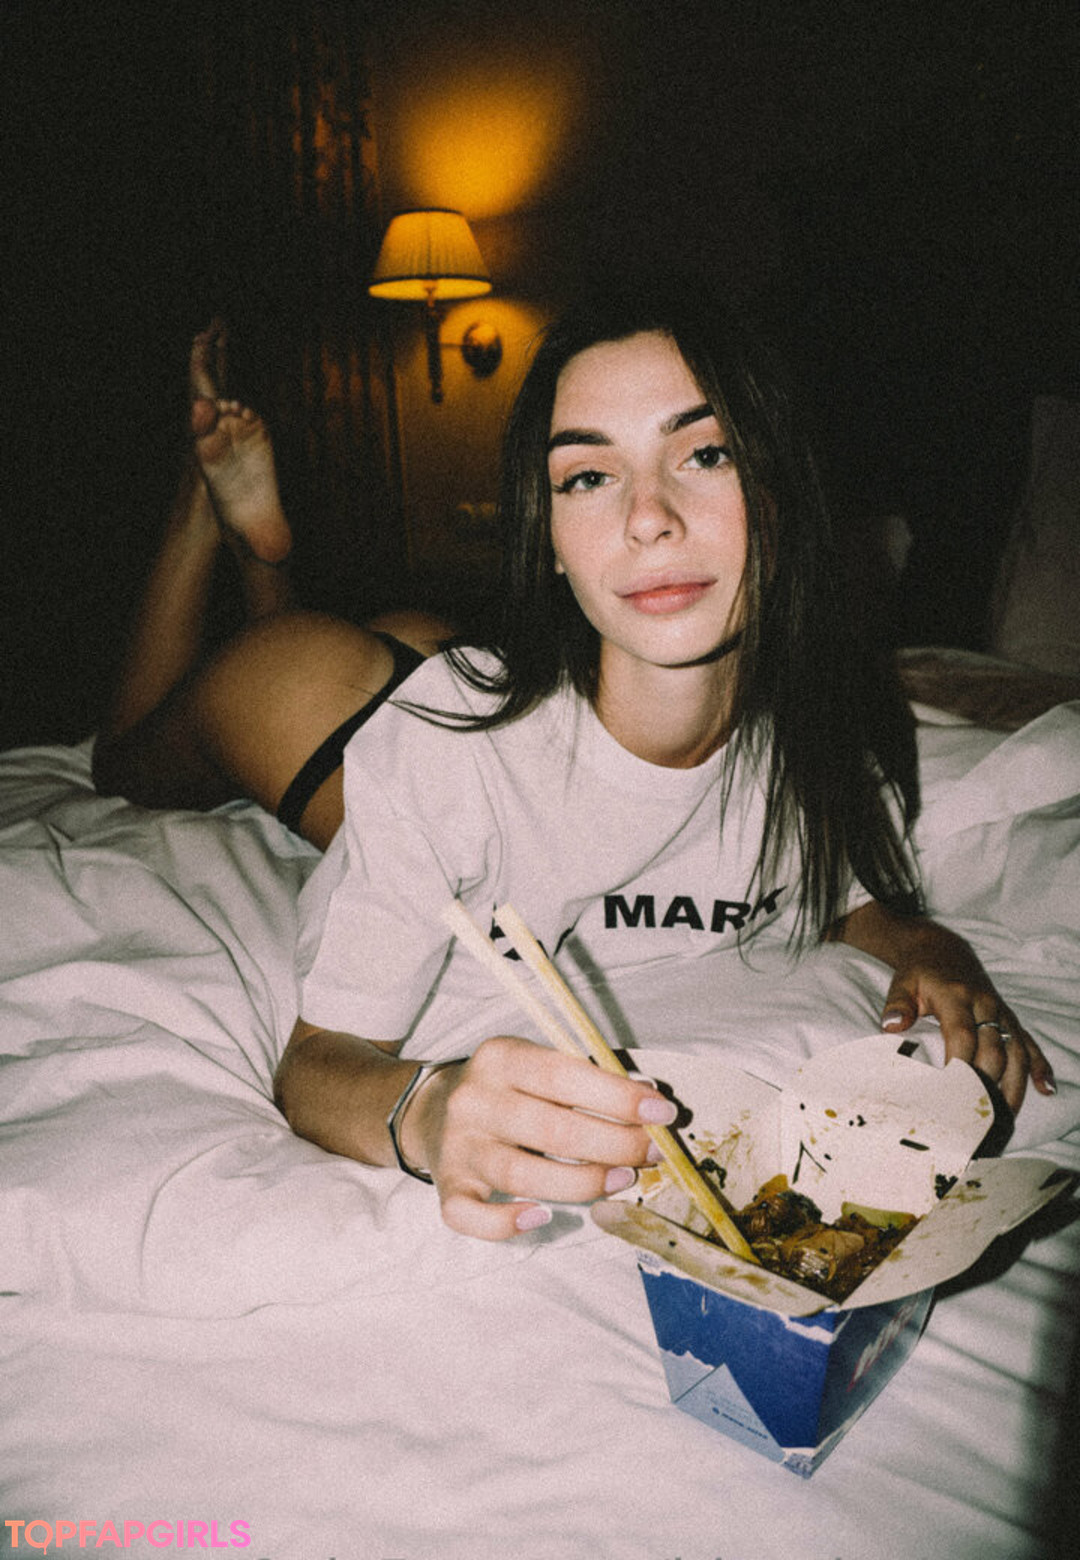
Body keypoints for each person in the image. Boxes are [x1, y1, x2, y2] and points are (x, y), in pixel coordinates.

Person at [95, 300, 1054, 1243]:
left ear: (780, 496)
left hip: (488, 681)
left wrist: (926, 943)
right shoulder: (445, 758)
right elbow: (314, 1066)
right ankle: (206, 513)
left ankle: (265, 559)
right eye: (589, 476)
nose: (650, 518)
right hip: (307, 692)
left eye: (706, 455)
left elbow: (837, 890)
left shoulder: (815, 729)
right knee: (125, 764)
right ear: (549, 537)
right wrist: (426, 1112)